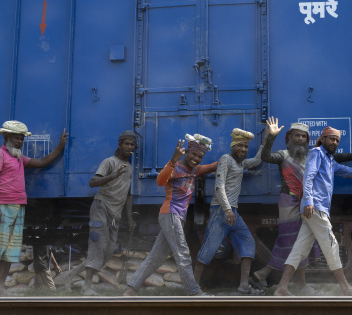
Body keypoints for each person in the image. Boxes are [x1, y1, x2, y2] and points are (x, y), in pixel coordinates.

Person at [252, 117, 352, 294]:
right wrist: (271, 137)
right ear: (321, 139)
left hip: (308, 207)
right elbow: (306, 177)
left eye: (337, 140)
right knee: (330, 244)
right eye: (331, 139)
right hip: (311, 206)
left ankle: (282, 287)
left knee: (299, 248)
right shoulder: (310, 154)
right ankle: (346, 287)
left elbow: (346, 170)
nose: (300, 139)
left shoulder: (323, 158)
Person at [124, 134, 216, 296]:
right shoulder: (176, 168)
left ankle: (131, 290)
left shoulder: (194, 171)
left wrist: (233, 156)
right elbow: (160, 180)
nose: (196, 158)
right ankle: (193, 292)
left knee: (156, 257)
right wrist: (173, 160)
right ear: (186, 152)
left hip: (176, 217)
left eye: (200, 156)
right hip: (170, 214)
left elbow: (213, 166)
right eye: (193, 154)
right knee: (182, 253)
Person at [61, 131, 137, 295]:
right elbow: (93, 182)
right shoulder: (110, 162)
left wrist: (130, 219)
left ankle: (70, 275)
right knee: (98, 247)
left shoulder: (130, 168)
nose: (129, 147)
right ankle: (87, 287)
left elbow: (128, 195)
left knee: (108, 252)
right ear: (120, 145)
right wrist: (113, 175)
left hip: (115, 215)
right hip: (101, 207)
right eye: (127, 143)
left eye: (132, 145)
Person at [193, 127, 268, 295]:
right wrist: (227, 209)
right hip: (221, 211)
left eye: (245, 147)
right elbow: (219, 187)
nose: (243, 149)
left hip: (232, 212)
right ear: (233, 146)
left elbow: (257, 160)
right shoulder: (226, 159)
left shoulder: (240, 163)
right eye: (240, 146)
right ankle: (193, 287)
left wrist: (267, 138)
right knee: (209, 249)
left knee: (248, 242)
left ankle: (243, 287)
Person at [0, 120, 68, 296]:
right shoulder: (1, 155)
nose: (20, 142)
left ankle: (0, 288)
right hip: (3, 207)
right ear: (6, 137)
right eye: (16, 138)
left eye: (22, 139)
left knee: (8, 251)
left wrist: (60, 146)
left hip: (17, 207)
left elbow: (43, 161)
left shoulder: (19, 158)